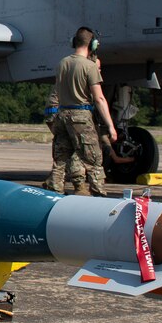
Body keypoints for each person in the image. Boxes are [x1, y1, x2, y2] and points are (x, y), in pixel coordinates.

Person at [44, 26, 116, 196]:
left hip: (62, 115)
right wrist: (111, 126)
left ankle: (55, 191)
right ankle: (99, 194)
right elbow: (99, 98)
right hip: (81, 116)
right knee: (93, 158)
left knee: (61, 158)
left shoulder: (62, 63)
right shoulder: (89, 66)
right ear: (92, 45)